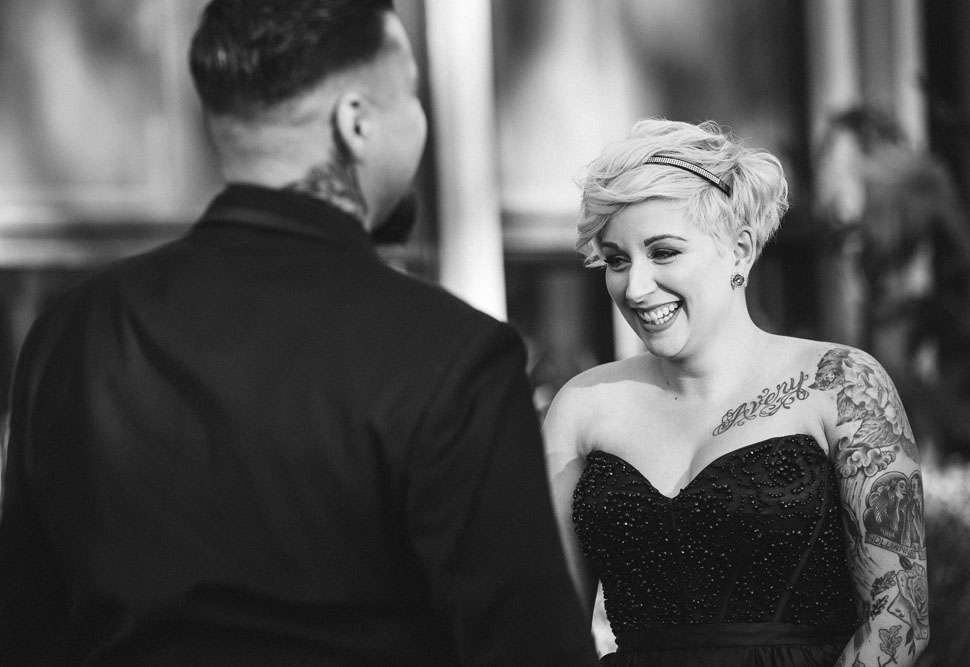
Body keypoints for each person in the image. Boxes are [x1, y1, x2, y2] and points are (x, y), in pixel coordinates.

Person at [0, 1, 596, 664]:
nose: (421, 121)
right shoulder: (453, 357)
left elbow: (25, 626)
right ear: (355, 123)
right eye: (412, 94)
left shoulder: (72, 335)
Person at [544, 119, 929, 666]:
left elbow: (900, 618)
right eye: (616, 260)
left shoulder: (842, 382)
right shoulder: (580, 407)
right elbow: (548, 627)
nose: (635, 287)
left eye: (664, 252)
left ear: (740, 249)